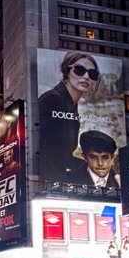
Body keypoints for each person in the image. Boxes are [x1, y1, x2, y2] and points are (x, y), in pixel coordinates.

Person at [38, 52, 101, 183]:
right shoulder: (53, 100)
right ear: (67, 71)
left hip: (57, 178)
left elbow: (62, 155)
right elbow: (48, 152)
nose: (86, 77)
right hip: (49, 180)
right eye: (79, 70)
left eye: (92, 74)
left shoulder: (71, 105)